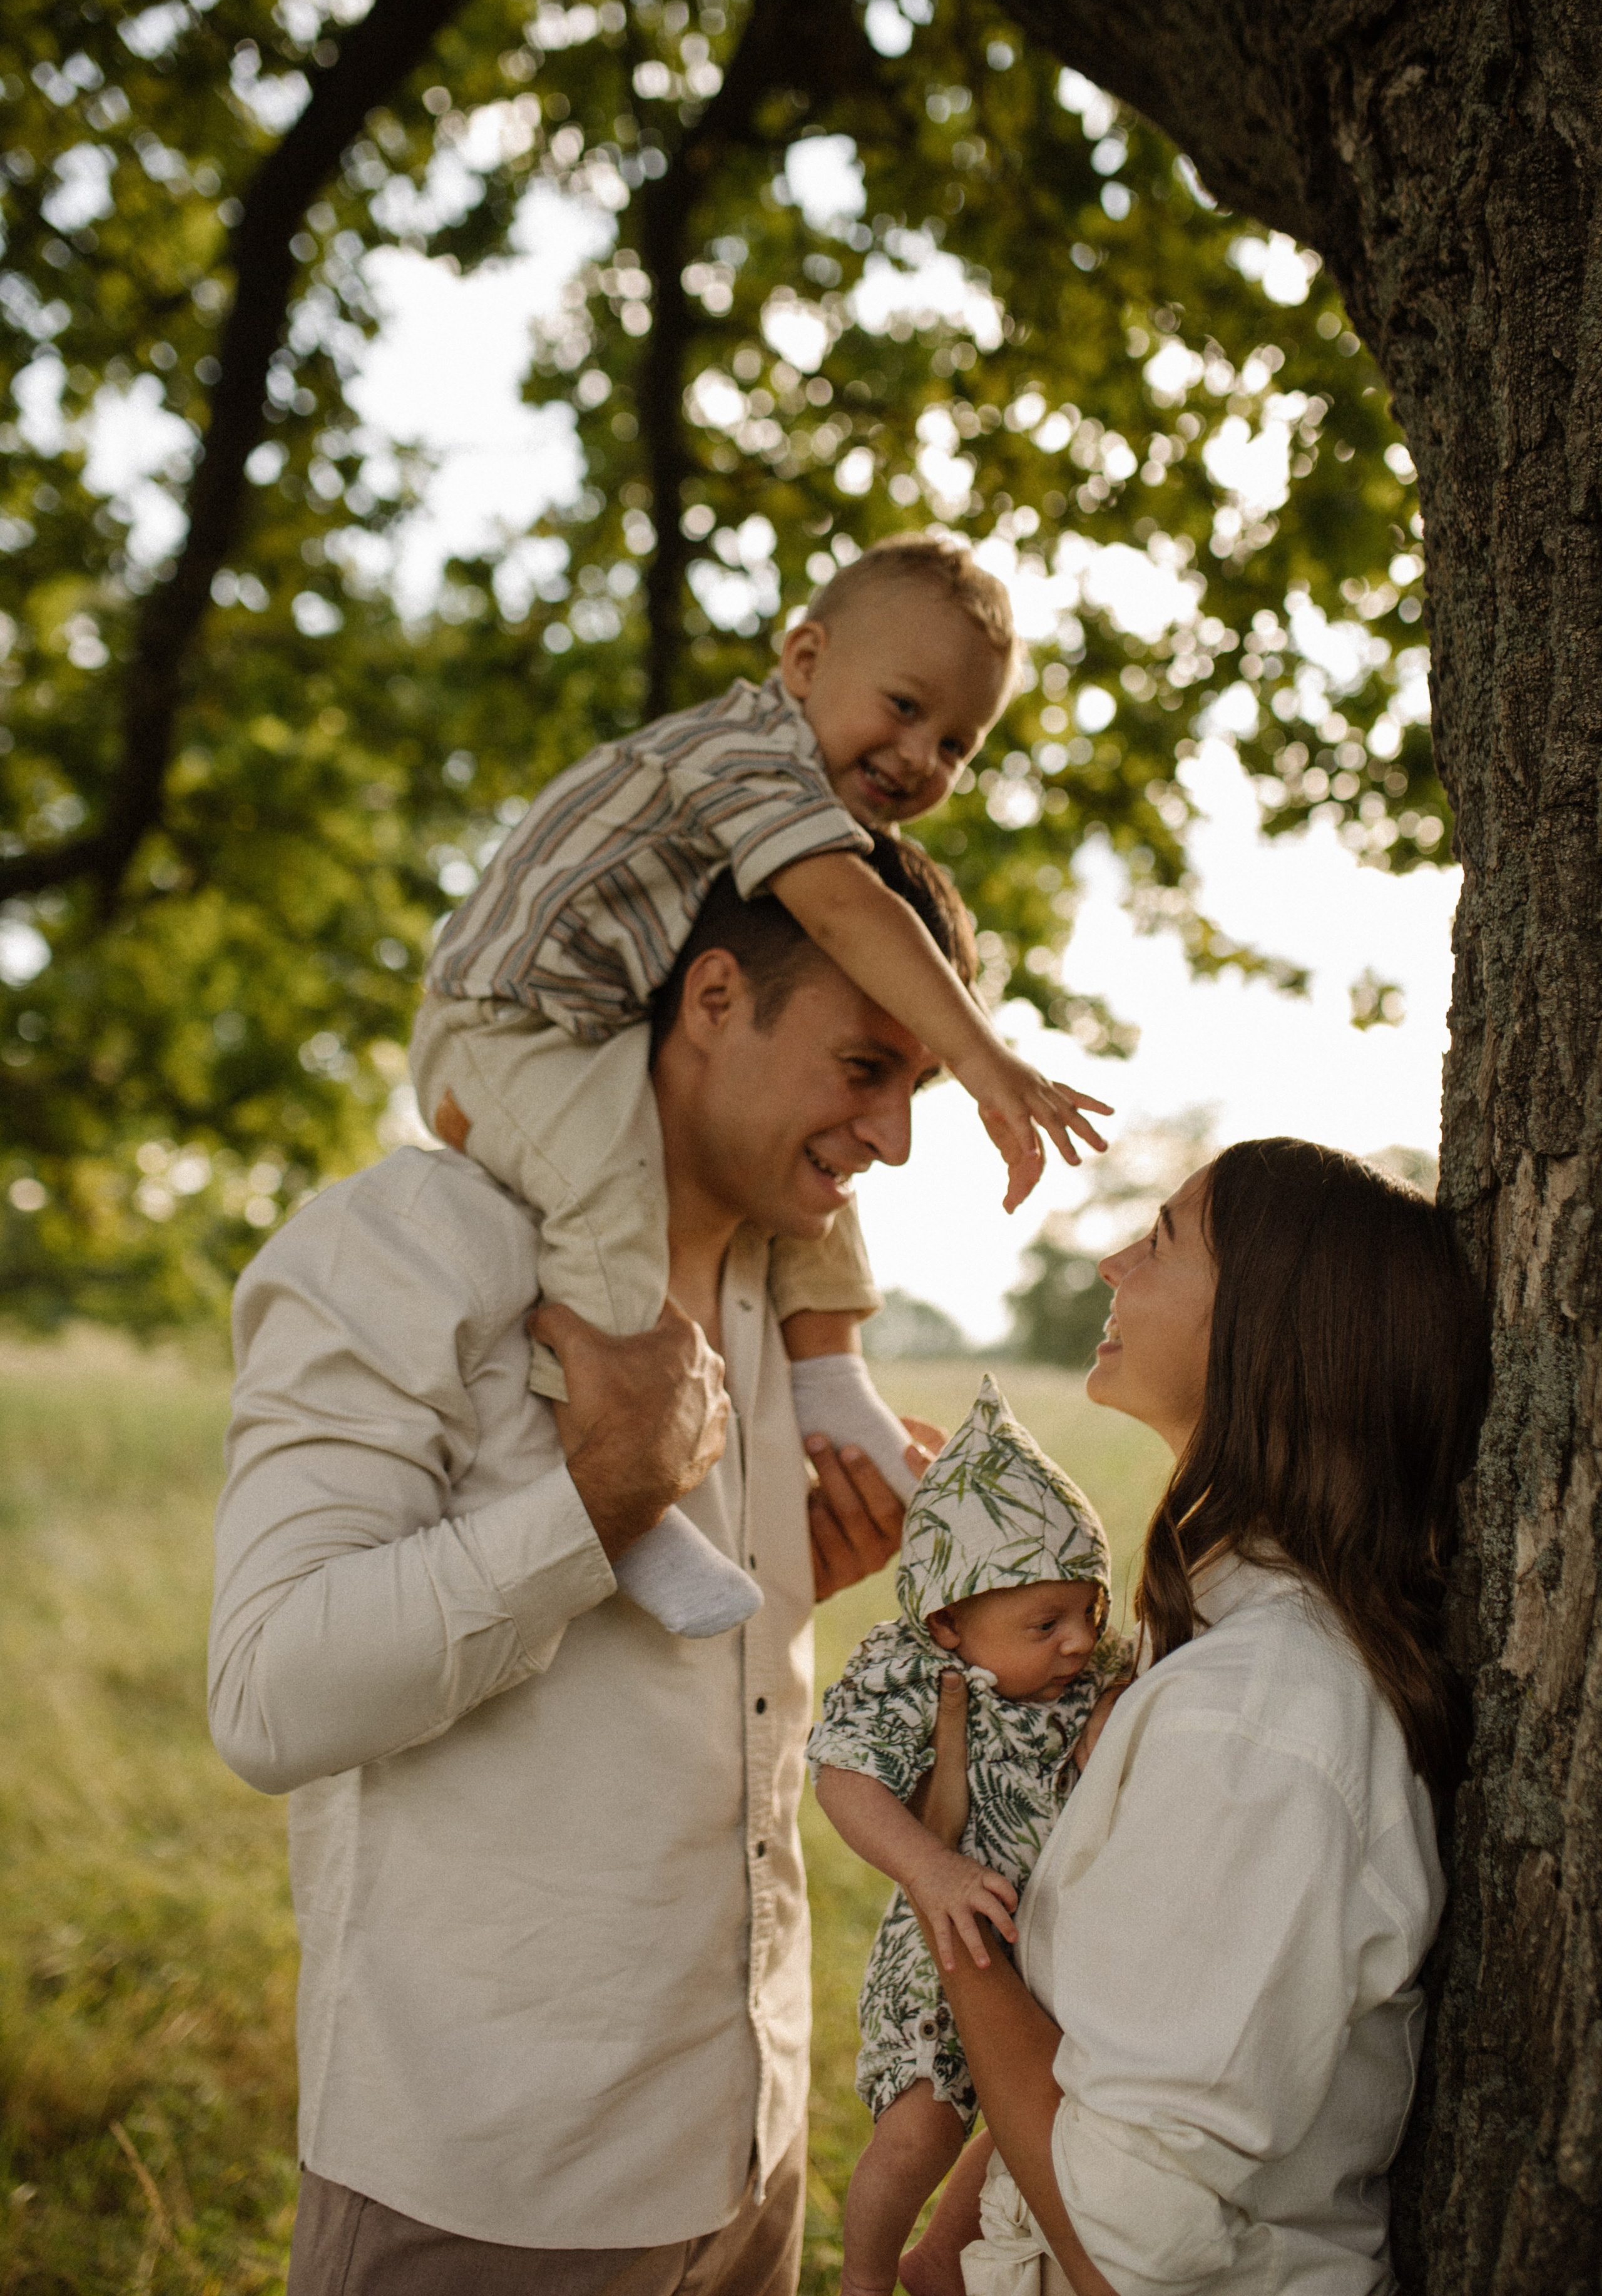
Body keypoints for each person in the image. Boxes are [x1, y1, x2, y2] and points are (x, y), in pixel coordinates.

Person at [208, 843, 972, 2296]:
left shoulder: (781, 1309)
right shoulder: (403, 1250)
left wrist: (806, 1584)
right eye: (864, 1067)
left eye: (918, 1089)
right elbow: (266, 1698)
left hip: (745, 2166)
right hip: (492, 2185)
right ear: (713, 996)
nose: (892, 1138)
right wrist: (596, 1498)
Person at [411, 534, 1110, 1637]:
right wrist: (984, 1058)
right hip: (504, 1028)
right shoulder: (744, 756)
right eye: (904, 704)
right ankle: (624, 1491)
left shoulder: (798, 789)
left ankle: (828, 1374)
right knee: (609, 1188)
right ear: (802, 660)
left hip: (595, 1022)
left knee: (808, 1138)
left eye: (957, 744)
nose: (920, 754)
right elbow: (842, 909)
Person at [896, 1139, 1490, 2296]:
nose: (1114, 1260)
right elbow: (1105, 2055)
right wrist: (941, 2249)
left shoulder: (1258, 1725)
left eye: (1161, 1238)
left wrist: (942, 1886)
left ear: (1271, 1328)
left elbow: (1132, 2246)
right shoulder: (1216, 1656)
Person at [807, 1375, 1130, 2296]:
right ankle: (864, 2280)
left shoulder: (1085, 1670)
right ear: (949, 1622)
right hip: (944, 1939)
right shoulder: (912, 1670)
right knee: (922, 2130)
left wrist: (1113, 1703)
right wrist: (932, 1871)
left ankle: (941, 2255)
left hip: (1043, 1947)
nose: (1076, 1642)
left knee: (1038, 2115)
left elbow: (1132, 1675)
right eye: (1046, 1623)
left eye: (1088, 1612)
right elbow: (845, 1778)